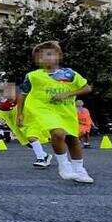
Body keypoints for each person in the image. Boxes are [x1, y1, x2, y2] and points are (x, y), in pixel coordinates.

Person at [17, 41, 93, 183]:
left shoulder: (70, 74)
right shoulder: (32, 76)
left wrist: (68, 94)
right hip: (43, 110)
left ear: (59, 56)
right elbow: (22, 94)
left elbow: (87, 88)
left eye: (49, 54)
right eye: (41, 56)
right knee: (58, 133)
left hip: (65, 111)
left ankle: (79, 170)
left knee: (73, 140)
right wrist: (19, 114)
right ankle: (64, 166)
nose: (45, 58)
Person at [0, 82, 52, 168]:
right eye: (3, 92)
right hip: (20, 127)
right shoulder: (4, 105)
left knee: (32, 137)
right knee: (28, 143)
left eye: (8, 91)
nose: (6, 94)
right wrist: (1, 119)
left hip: (32, 122)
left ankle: (41, 159)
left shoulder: (24, 98)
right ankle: (45, 155)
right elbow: (0, 114)